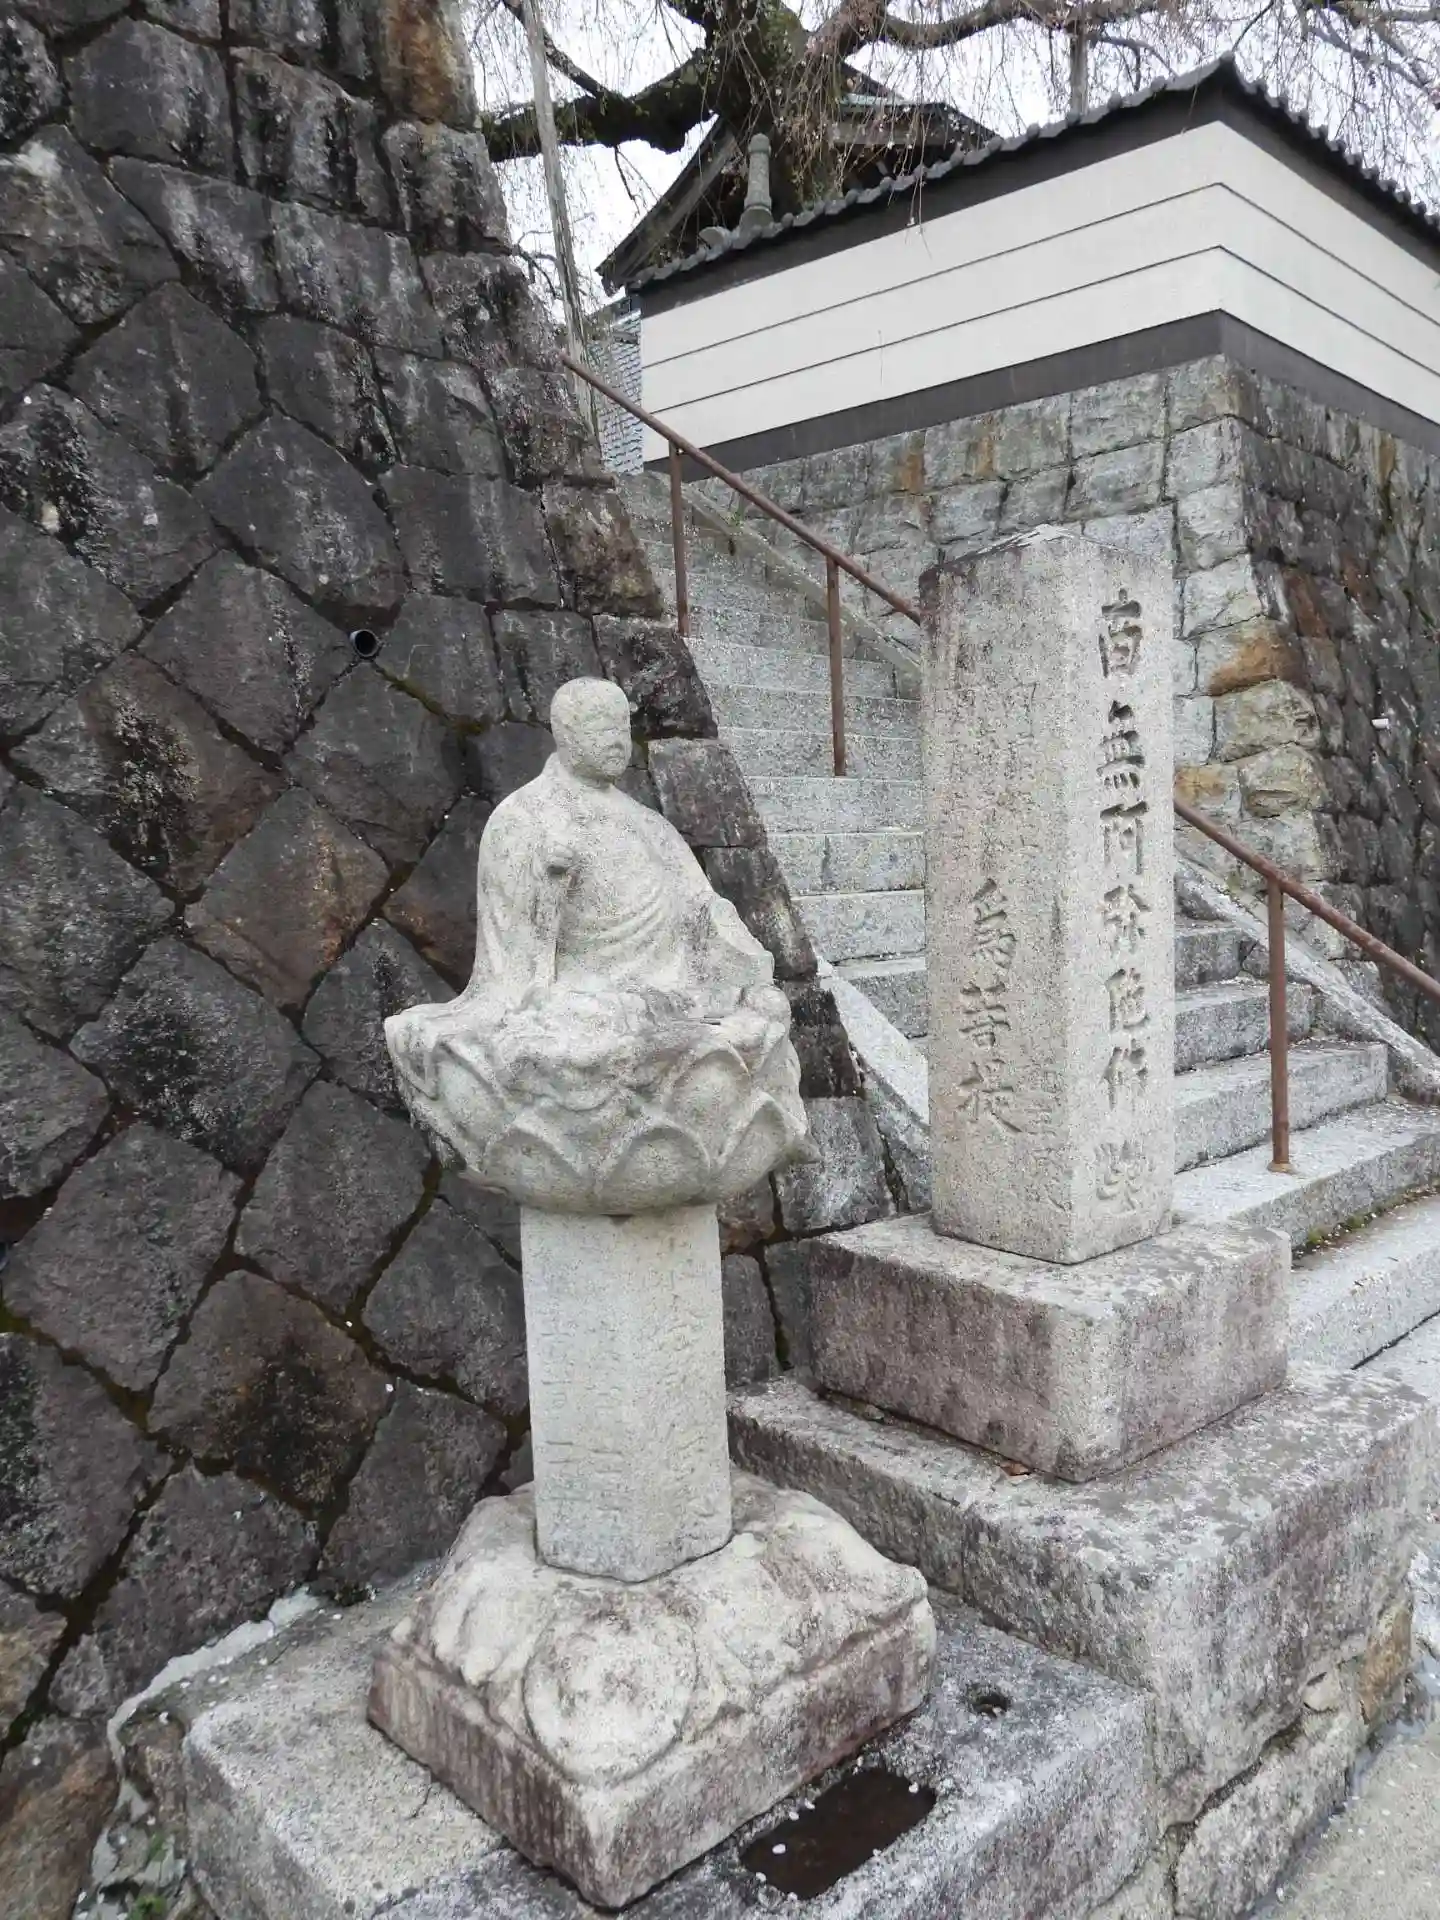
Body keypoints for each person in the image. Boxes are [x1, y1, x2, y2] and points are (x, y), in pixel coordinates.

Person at [385, 678, 808, 1212]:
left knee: (756, 1010)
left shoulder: (649, 824)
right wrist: (545, 882)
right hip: (579, 996)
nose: (615, 740)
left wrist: (736, 955)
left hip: (669, 991)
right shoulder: (526, 818)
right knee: (577, 1041)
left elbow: (702, 907)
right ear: (564, 733)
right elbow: (510, 949)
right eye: (598, 727)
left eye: (621, 727)